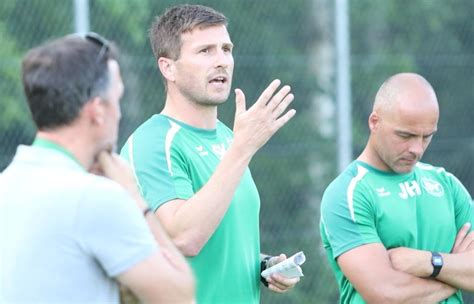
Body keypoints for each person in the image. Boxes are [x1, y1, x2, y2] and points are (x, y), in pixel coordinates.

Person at [120, 4, 300, 303]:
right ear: (168, 67)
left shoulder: (230, 138)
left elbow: (219, 241)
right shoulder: (154, 143)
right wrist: (242, 150)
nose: (222, 62)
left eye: (226, 49)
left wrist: (263, 264)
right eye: (205, 51)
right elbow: (182, 238)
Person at [0, 33, 194, 303]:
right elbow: (180, 295)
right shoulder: (95, 197)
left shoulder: (7, 182)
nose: (120, 112)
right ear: (98, 111)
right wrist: (134, 197)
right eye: (117, 98)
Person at [320, 72, 473, 303]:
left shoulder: (446, 185)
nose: (417, 149)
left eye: (426, 137)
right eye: (405, 135)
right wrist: (455, 271)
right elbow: (387, 295)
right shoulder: (348, 193)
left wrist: (428, 262)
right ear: (374, 121)